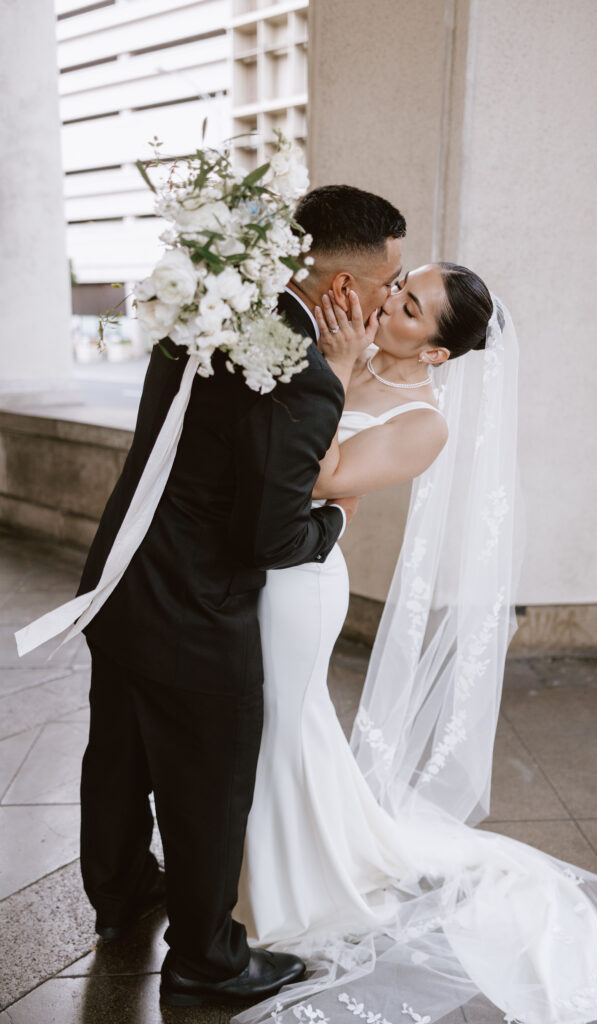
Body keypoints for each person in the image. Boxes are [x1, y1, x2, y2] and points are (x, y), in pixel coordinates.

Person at [184, 258, 597, 1024]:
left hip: (301, 585)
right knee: (257, 723)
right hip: (243, 567)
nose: (387, 306)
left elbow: (320, 477)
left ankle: (276, 886)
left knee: (278, 724)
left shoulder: (424, 422)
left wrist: (334, 371)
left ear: (434, 350)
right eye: (398, 288)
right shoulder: (340, 352)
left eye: (408, 308)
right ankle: (233, 868)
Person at [73, 185, 407, 1005]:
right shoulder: (303, 376)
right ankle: (207, 961)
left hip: (122, 577)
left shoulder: (208, 309)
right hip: (193, 610)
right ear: (341, 288)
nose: (385, 301)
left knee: (117, 754)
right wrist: (334, 518)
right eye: (383, 286)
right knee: (207, 787)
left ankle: (119, 895)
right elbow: (270, 536)